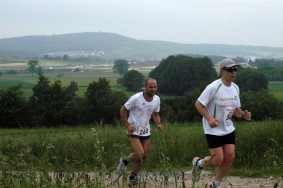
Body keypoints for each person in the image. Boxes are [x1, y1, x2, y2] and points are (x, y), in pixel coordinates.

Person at [193, 59, 252, 188]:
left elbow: (235, 110)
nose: (233, 72)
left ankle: (216, 184)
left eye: (235, 70)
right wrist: (209, 118)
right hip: (213, 128)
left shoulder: (235, 88)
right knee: (218, 159)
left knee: (229, 157)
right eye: (230, 70)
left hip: (228, 127)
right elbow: (198, 104)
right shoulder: (213, 87)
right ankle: (199, 163)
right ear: (222, 71)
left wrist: (243, 115)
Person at [116, 78, 164, 185]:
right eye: (150, 87)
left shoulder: (157, 99)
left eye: (155, 87)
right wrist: (127, 125)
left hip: (145, 129)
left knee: (145, 156)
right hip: (133, 128)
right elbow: (123, 109)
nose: (153, 89)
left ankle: (132, 178)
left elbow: (155, 114)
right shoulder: (136, 98)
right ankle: (123, 162)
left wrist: (159, 124)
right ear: (145, 87)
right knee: (140, 154)